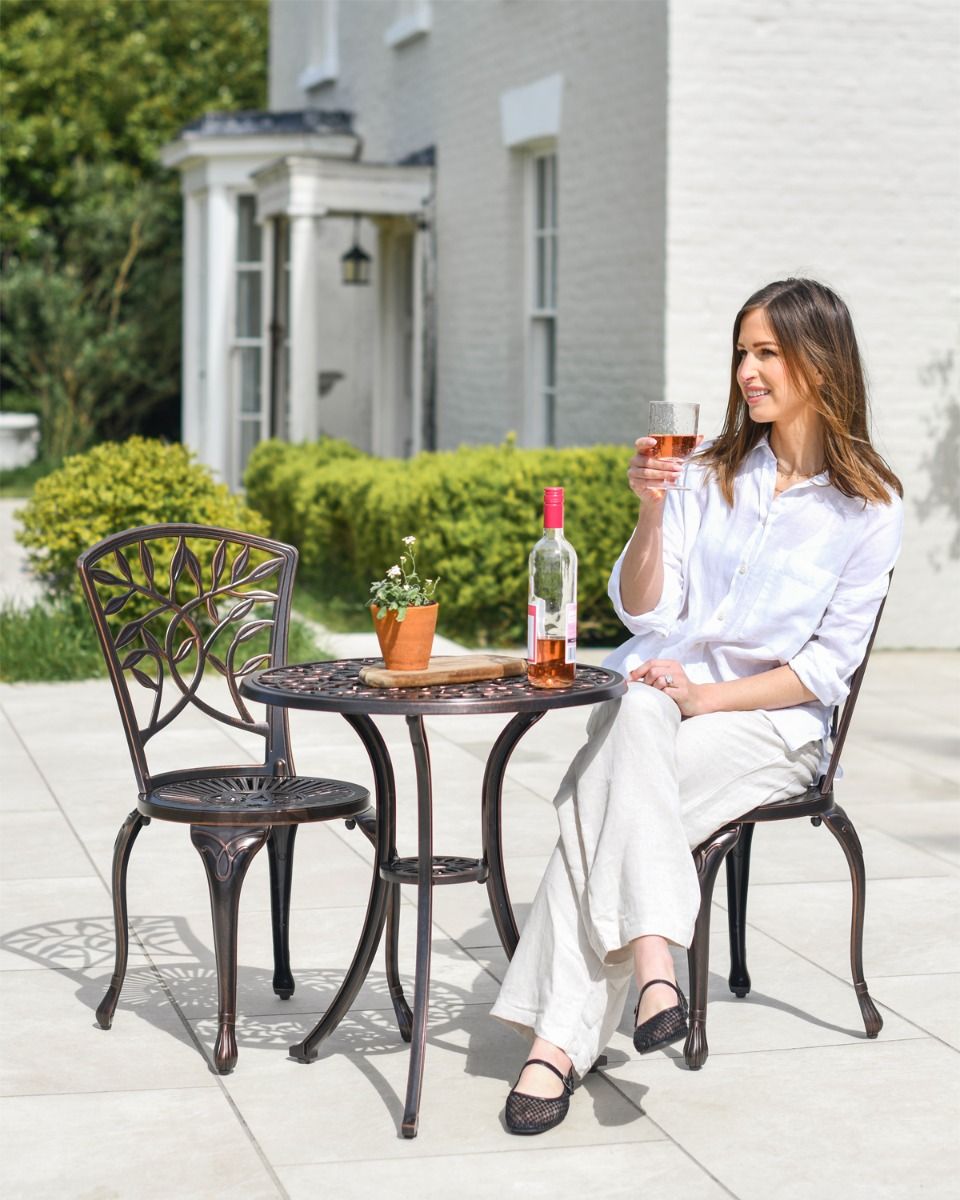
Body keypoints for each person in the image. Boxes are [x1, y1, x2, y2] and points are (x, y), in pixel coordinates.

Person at [491, 277, 903, 1135]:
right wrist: (650, 511)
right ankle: (653, 963)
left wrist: (706, 695)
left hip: (770, 723)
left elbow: (824, 670)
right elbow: (645, 614)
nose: (749, 372)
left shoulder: (867, 507)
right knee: (639, 714)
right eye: (742, 353)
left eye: (768, 353)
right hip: (662, 703)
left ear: (821, 365)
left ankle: (555, 1047)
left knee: (595, 809)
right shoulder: (706, 467)